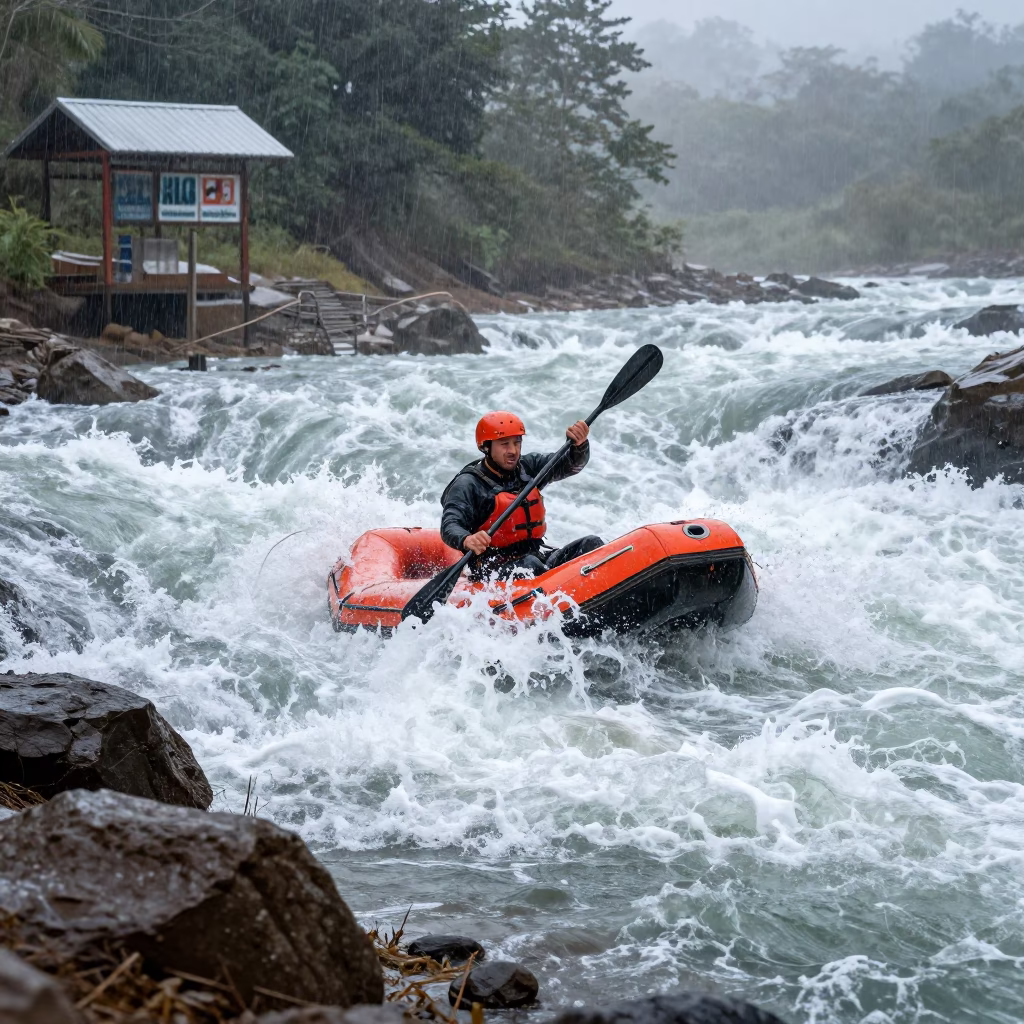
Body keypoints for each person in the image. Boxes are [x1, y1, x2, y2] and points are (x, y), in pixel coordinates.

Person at [440, 411, 605, 580]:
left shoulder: (528, 467)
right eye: (504, 444)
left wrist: (579, 446)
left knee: (591, 544)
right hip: (492, 570)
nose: (513, 451)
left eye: (517, 443)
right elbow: (450, 524)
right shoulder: (468, 484)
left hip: (536, 556)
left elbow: (568, 465)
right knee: (531, 565)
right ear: (486, 447)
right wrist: (467, 539)